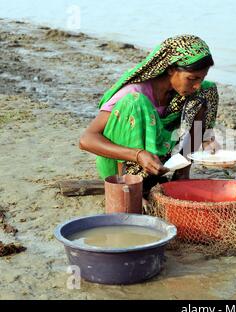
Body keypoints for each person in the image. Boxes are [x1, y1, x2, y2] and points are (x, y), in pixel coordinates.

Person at [79, 35, 221, 197]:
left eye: (201, 78)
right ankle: (129, 186)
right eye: (191, 79)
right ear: (170, 69)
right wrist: (138, 155)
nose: (196, 86)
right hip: (124, 162)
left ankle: (182, 173)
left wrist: (207, 142)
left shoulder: (185, 92)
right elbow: (86, 140)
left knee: (207, 90)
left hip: (157, 161)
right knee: (135, 103)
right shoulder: (133, 93)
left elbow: (199, 105)